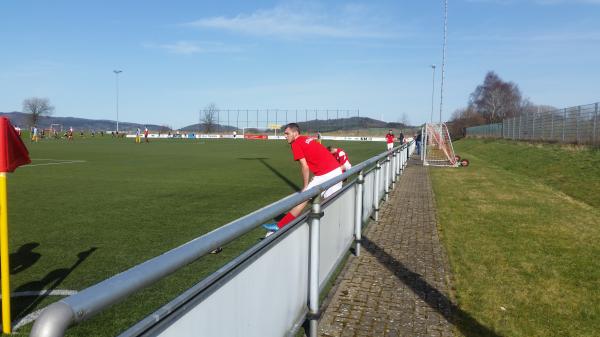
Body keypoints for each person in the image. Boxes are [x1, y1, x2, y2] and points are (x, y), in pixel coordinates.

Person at [263, 123, 343, 236]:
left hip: (326, 174)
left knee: (304, 197)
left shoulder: (295, 143)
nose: (285, 136)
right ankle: (328, 231)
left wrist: (305, 186)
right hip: (336, 171)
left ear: (295, 133)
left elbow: (304, 166)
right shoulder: (306, 138)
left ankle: (280, 226)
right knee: (328, 204)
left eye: (287, 133)